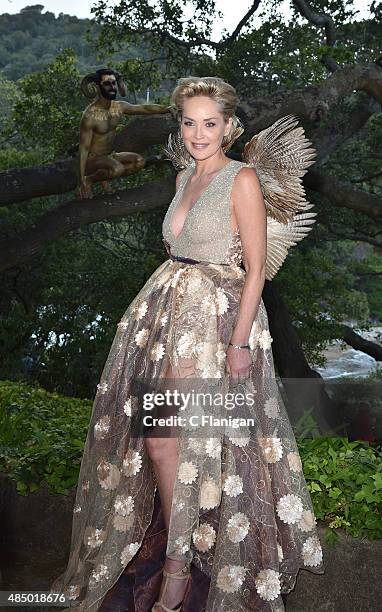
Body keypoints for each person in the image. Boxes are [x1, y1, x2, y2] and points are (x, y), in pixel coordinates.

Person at [50, 76, 324, 611]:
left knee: (199, 443)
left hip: (214, 322)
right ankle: (184, 549)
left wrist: (239, 344)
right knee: (160, 440)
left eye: (210, 123)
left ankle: (181, 568)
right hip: (167, 312)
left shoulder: (242, 179)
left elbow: (254, 272)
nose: (199, 133)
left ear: (228, 126)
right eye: (190, 122)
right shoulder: (182, 177)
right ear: (180, 126)